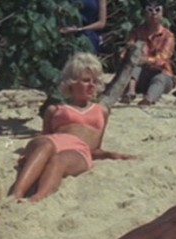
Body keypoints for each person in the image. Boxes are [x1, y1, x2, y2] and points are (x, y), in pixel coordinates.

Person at [11, 53, 135, 202]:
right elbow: (45, 136)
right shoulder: (55, 110)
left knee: (60, 160)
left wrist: (112, 155)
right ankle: (16, 194)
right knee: (46, 146)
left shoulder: (102, 111)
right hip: (51, 142)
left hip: (79, 150)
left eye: (95, 81)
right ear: (72, 83)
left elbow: (95, 148)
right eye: (86, 81)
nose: (92, 85)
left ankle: (37, 198)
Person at [122, 0, 176, 106]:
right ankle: (130, 92)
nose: (154, 13)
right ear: (145, 13)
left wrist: (144, 60)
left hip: (161, 73)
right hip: (140, 76)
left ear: (162, 13)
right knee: (134, 67)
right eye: (150, 10)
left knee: (159, 79)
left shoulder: (168, 36)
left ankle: (149, 99)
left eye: (157, 10)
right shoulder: (137, 32)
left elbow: (162, 59)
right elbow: (127, 52)